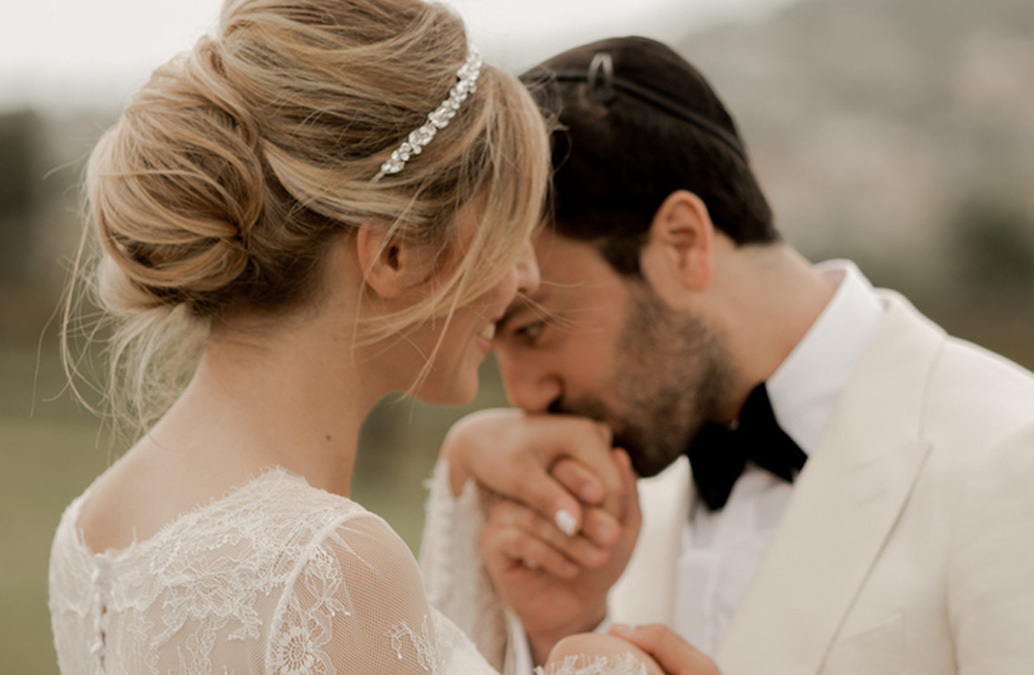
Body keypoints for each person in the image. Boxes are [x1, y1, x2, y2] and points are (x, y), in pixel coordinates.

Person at [426, 36, 1034, 674]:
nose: (524, 392)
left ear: (683, 244)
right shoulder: (629, 514)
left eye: (533, 329)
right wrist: (567, 625)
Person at [47, 5, 711, 674]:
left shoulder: (89, 529)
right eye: (505, 234)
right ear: (395, 253)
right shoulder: (329, 565)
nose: (526, 276)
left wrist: (461, 483)